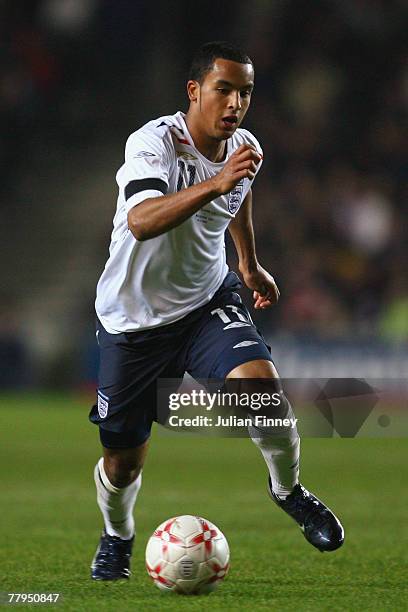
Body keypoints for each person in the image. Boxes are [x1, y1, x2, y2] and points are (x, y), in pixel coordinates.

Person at [89, 41, 344, 581]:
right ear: (195, 91)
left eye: (245, 92)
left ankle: (289, 490)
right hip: (132, 323)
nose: (235, 103)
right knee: (123, 461)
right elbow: (141, 221)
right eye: (223, 89)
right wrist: (216, 183)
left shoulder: (245, 147)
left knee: (263, 393)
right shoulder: (154, 143)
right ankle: (117, 535)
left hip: (206, 303)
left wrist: (248, 263)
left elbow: (238, 197)